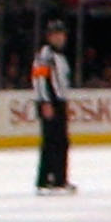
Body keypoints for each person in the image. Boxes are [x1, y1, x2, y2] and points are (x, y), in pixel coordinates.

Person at [30, 20, 75, 194]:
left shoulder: (60, 56)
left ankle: (57, 178)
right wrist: (45, 102)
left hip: (58, 101)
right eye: (56, 35)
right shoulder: (45, 55)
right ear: (49, 37)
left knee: (60, 141)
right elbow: (39, 79)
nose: (60, 38)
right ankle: (49, 179)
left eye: (62, 34)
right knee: (52, 141)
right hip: (49, 102)